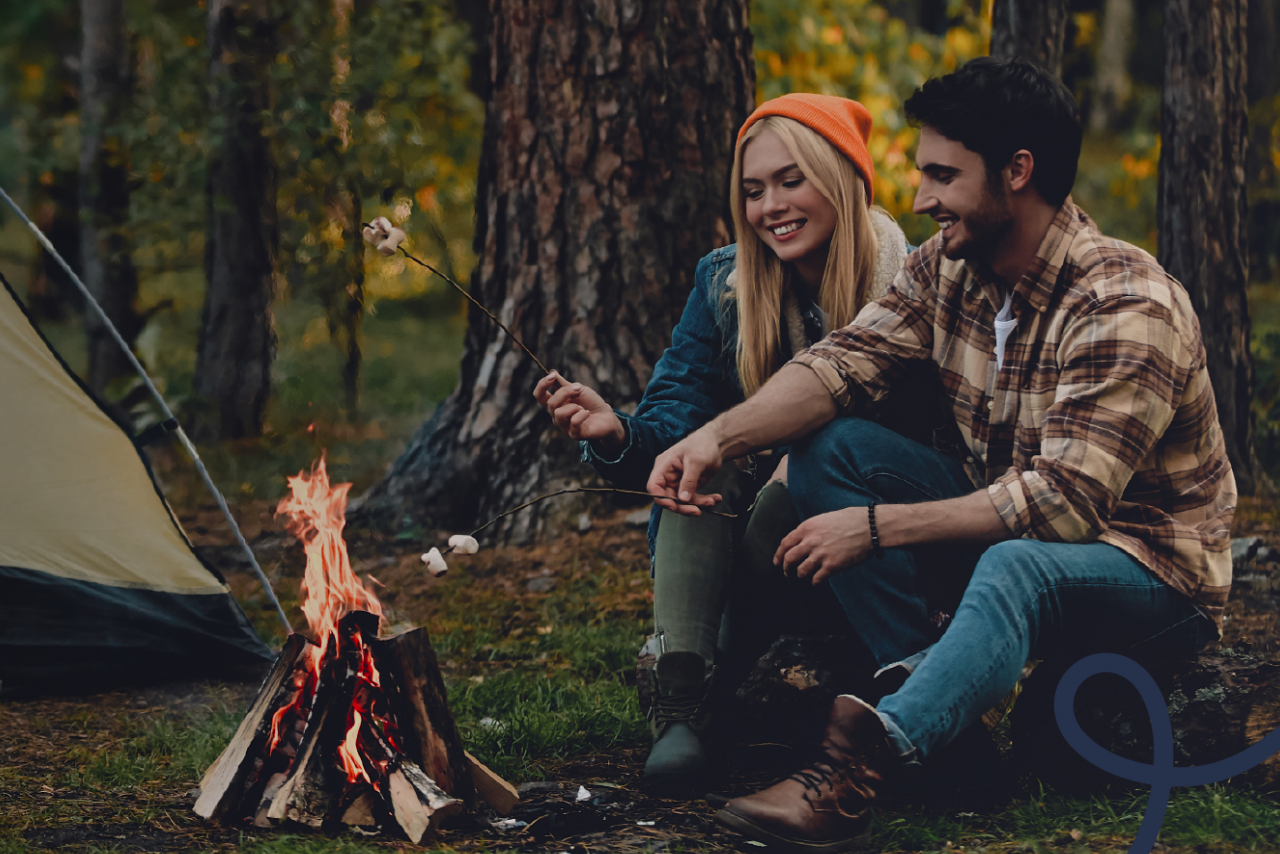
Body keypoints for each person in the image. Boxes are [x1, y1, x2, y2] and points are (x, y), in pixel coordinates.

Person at [647, 57, 1233, 850]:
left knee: (1017, 564)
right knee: (833, 447)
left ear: (1017, 173)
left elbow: (1061, 508)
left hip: (1145, 571)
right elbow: (839, 365)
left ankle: (862, 763)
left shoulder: (1125, 302)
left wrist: (878, 527)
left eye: (941, 176)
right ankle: (954, 742)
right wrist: (716, 437)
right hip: (1010, 533)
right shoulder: (946, 270)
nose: (920, 198)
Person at [534, 94, 911, 795]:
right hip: (736, 535)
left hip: (858, 542)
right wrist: (617, 432)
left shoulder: (910, 283)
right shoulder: (723, 281)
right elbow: (676, 416)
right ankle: (679, 708)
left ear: (842, 177)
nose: (771, 206)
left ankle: (719, 681)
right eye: (753, 190)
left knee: (798, 467)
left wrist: (797, 457)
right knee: (697, 472)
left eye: (791, 180)